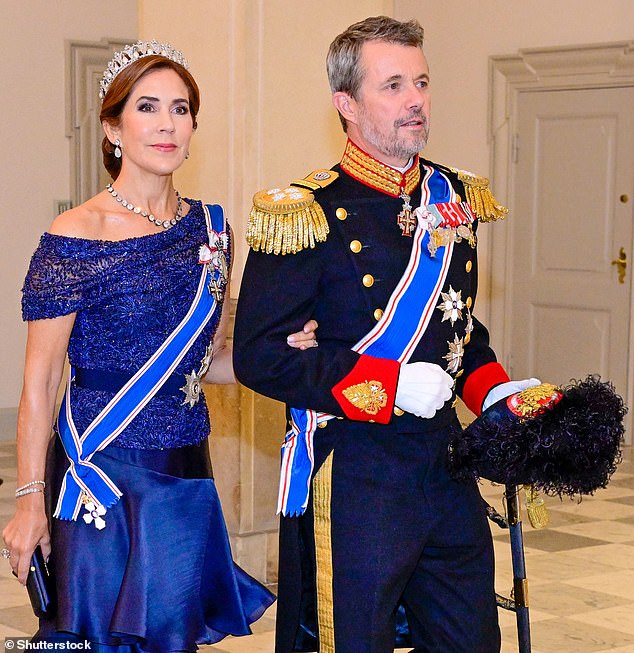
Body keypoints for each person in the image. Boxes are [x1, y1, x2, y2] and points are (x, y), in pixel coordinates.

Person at [233, 16, 537, 653]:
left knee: (472, 637)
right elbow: (260, 357)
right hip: (355, 474)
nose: (417, 100)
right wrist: (389, 385)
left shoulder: (451, 195)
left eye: (421, 82)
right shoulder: (304, 212)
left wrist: (497, 394)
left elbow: (460, 329)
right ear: (346, 104)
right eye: (393, 85)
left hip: (444, 463)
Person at [1, 40, 318, 651]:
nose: (167, 123)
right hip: (98, 473)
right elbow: (38, 385)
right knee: (95, 638)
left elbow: (203, 367)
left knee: (170, 636)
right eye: (147, 107)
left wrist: (275, 352)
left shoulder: (213, 229)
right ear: (113, 127)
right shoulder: (75, 236)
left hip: (183, 471)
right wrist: (27, 501)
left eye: (180, 108)